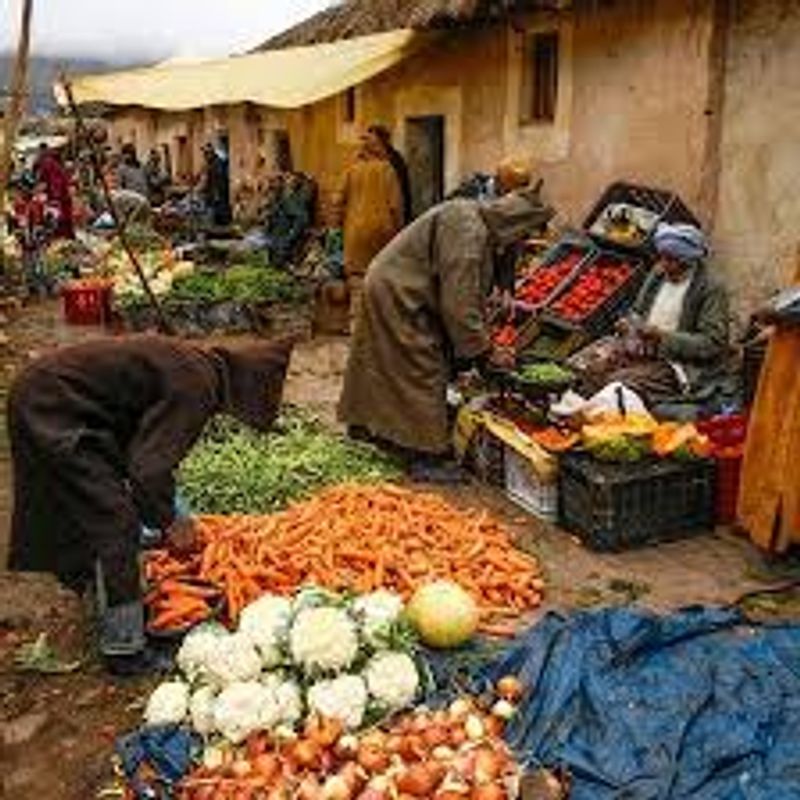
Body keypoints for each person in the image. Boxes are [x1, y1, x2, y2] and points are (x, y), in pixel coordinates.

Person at [7, 336, 293, 673]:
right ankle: (124, 650)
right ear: (247, 390)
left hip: (53, 397)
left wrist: (168, 512)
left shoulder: (196, 366)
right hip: (52, 407)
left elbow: (142, 454)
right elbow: (148, 471)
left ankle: (102, 593)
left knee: (94, 505)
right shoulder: (196, 388)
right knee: (115, 522)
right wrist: (170, 521)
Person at [338, 187, 553, 481]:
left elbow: (505, 250)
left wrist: (505, 285)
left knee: (378, 358)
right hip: (399, 289)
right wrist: (484, 353)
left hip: (390, 280)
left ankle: (366, 426)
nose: (524, 243)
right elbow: (459, 306)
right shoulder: (467, 235)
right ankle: (425, 453)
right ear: (513, 225)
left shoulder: (482, 218)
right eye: (524, 235)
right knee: (421, 363)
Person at [571, 223, 730, 408]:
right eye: (662, 258)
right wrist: (628, 325)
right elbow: (638, 312)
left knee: (617, 385)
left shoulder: (710, 288)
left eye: (672, 260)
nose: (664, 265)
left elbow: (713, 344)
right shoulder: (658, 274)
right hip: (639, 350)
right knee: (586, 369)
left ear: (689, 260)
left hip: (676, 364)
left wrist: (662, 336)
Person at [738, 249, 800, 554]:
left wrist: (777, 314)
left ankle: (786, 530)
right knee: (778, 443)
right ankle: (773, 524)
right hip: (787, 360)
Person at [339, 128, 404, 328]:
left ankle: (355, 325)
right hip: (382, 232)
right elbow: (395, 206)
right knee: (380, 277)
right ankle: (379, 325)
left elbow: (338, 199)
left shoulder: (352, 170)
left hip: (355, 233)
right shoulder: (387, 170)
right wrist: (399, 233)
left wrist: (343, 223)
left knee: (357, 280)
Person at [369, 124, 412, 225]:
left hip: (389, 219)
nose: (370, 146)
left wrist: (401, 220)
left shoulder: (395, 160)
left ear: (382, 141)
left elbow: (401, 191)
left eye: (373, 143)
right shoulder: (368, 162)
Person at [34, 145, 75, 239]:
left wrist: (54, 198)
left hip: (60, 199)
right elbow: (46, 181)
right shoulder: (51, 163)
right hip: (62, 198)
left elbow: (55, 183)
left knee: (62, 220)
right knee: (65, 221)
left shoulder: (47, 163)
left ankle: (63, 238)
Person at [203, 140, 232, 227]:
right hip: (214, 190)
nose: (205, 156)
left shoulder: (217, 163)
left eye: (207, 154)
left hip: (218, 190)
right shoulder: (211, 164)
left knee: (219, 207)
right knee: (215, 208)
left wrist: (216, 192)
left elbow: (218, 179)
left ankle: (222, 224)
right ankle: (218, 223)